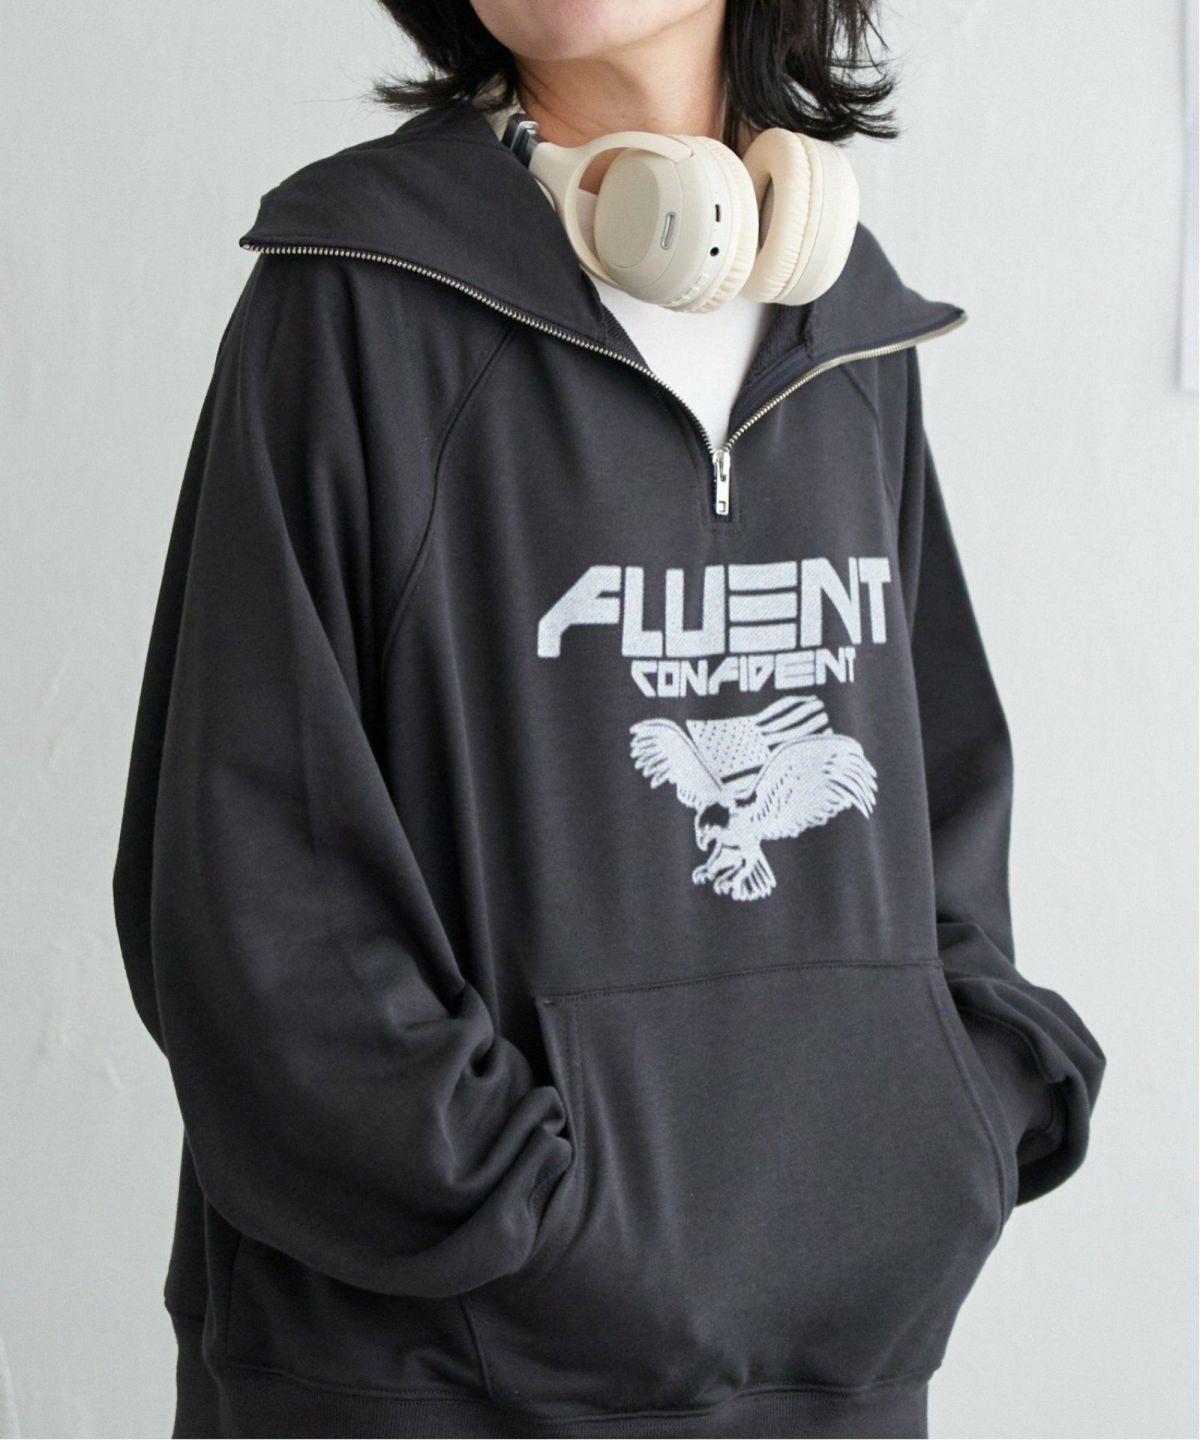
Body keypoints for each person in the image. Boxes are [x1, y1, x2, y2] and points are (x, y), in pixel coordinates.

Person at [113, 2, 1107, 1436]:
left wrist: (947, 1133)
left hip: (829, 1381)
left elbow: (937, 817)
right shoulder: (354, 297)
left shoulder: (847, 333)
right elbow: (253, 892)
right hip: (424, 1378)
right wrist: (529, 1212)